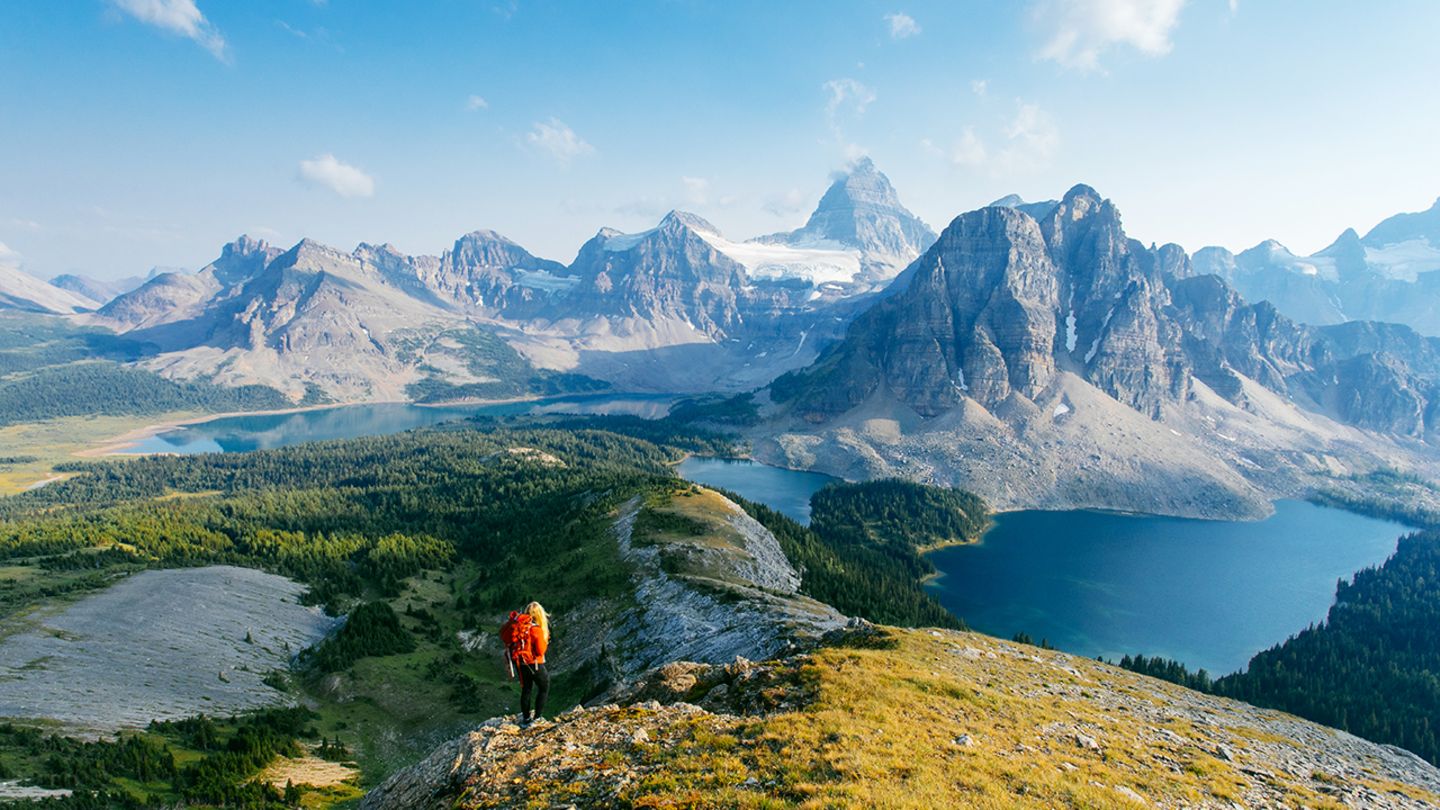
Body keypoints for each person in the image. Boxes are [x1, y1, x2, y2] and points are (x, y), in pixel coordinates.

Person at [500, 601, 550, 725]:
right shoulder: (536, 630)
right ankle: (537, 718)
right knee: (544, 687)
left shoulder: (520, 626)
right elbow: (540, 651)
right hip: (534, 663)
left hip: (520, 663)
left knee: (526, 689)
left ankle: (526, 719)